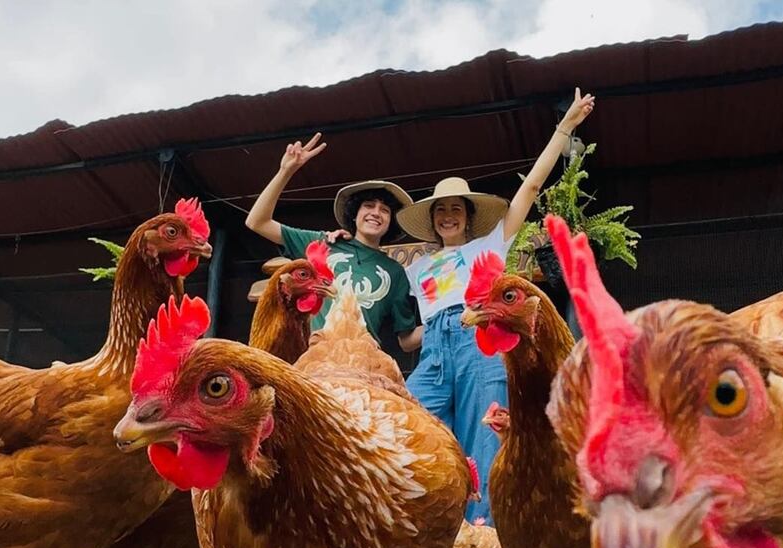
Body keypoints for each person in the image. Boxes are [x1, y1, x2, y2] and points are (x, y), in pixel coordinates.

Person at [396, 88, 596, 524]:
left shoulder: (492, 243)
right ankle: (435, 535)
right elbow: (413, 331)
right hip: (433, 351)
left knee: (486, 435)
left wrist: (565, 129)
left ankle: (489, 542)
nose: (448, 215)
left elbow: (531, 188)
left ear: (468, 217)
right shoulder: (420, 267)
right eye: (441, 211)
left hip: (479, 340)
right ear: (432, 220)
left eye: (456, 209)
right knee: (412, 429)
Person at [245, 133, 420, 352]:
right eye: (368, 206)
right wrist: (286, 171)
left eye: (385, 210)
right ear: (354, 214)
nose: (376, 213)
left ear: (390, 223)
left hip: (361, 363)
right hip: (310, 356)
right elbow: (257, 222)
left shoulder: (394, 272)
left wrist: (447, 315)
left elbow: (406, 340)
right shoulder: (322, 243)